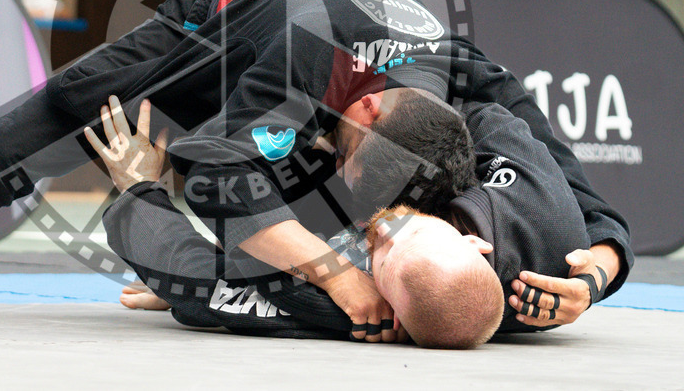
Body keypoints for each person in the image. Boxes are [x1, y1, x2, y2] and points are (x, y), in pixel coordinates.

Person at [0, 0, 630, 343]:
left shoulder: (477, 86)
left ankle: (227, 269)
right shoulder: (306, 70)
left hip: (355, 65)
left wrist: (593, 273)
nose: (361, 222)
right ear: (357, 113)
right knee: (55, 117)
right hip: (230, 19)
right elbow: (219, 170)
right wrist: (331, 271)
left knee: (295, 195)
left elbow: (591, 204)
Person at [92, 95, 609, 348]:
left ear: (394, 315)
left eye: (382, 257)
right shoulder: (546, 222)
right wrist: (598, 276)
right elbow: (492, 113)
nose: (382, 232)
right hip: (432, 124)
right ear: (474, 244)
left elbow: (201, 285)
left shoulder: (367, 310)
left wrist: (138, 191)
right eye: (415, 233)